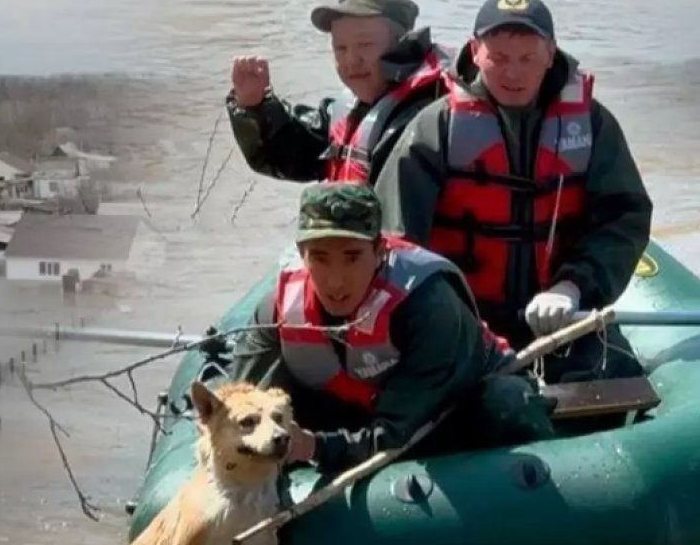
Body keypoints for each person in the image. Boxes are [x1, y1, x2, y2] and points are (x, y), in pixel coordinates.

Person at [375, 0, 652, 384]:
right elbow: (396, 241)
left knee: (619, 378)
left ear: (550, 54)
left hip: (562, 313)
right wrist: (439, 314)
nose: (513, 74)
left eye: (527, 59)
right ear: (475, 50)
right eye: (499, 58)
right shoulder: (435, 127)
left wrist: (573, 286)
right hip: (460, 319)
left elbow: (624, 219)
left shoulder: (592, 123)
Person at [228, 182, 554, 474]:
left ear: (380, 252)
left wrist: (314, 448)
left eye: (353, 257)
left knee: (507, 402)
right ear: (302, 255)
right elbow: (240, 409)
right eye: (321, 258)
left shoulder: (427, 305)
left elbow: (399, 432)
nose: (336, 281)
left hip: (445, 413)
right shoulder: (277, 310)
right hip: (355, 411)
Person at [226, 0, 453, 185]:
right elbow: (289, 156)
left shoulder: (436, 115)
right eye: (340, 48)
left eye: (365, 44)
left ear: (404, 46)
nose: (350, 60)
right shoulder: (344, 110)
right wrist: (254, 106)